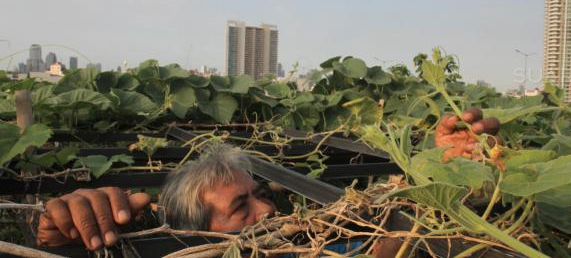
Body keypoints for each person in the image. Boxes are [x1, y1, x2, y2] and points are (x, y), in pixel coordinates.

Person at [36, 108, 499, 255]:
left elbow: (385, 243)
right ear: (193, 235)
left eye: (260, 196)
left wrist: (448, 172)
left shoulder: (307, 249)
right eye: (241, 207)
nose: (269, 212)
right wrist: (64, 236)